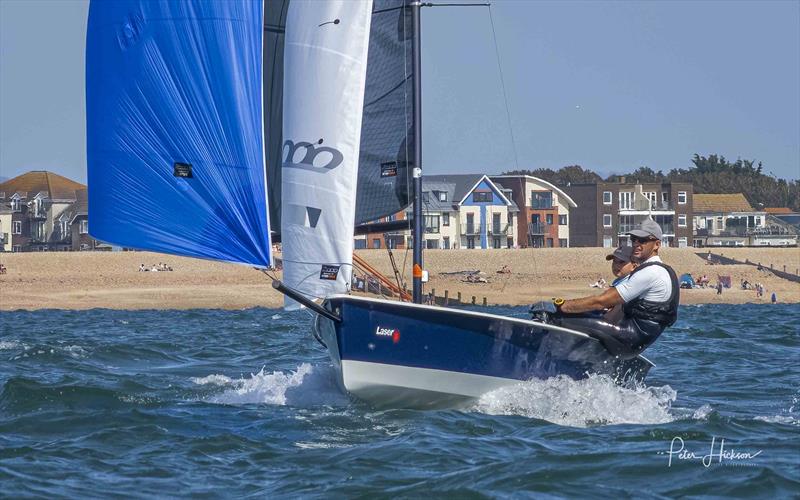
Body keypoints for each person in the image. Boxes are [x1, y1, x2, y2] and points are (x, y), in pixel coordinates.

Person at [530, 219, 679, 358]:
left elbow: (601, 301)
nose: (636, 244)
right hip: (631, 340)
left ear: (657, 245)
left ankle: (534, 355)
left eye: (643, 240)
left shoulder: (652, 272)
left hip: (627, 339)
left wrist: (561, 305)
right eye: (634, 239)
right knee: (582, 316)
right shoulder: (659, 270)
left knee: (553, 318)